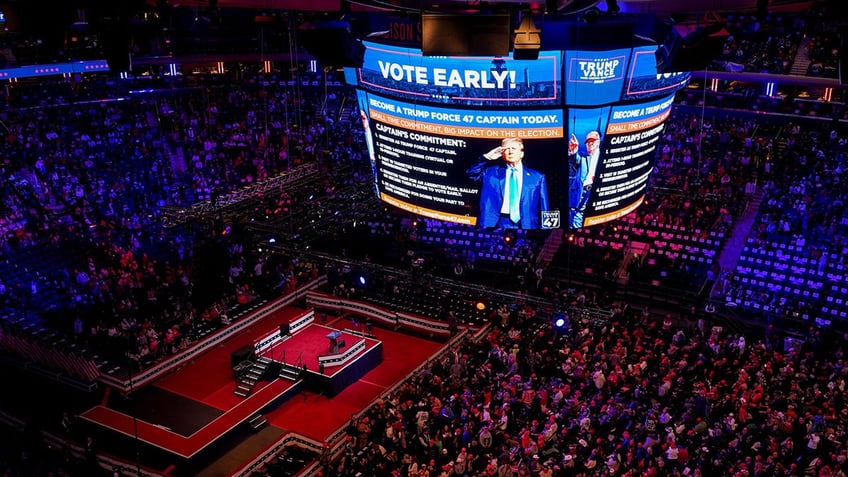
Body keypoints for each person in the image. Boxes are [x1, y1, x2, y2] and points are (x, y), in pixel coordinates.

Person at [466, 137, 549, 229]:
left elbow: (544, 206)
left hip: (526, 223)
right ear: (502, 154)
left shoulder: (537, 177)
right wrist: (487, 157)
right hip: (495, 223)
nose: (510, 152)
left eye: (514, 148)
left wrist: (545, 229)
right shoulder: (490, 172)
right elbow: (471, 173)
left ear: (522, 153)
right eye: (506, 149)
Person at [568, 130, 601, 228]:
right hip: (581, 194)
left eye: (592, 140)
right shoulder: (582, 157)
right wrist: (573, 151)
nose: (589, 143)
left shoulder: (604, 157)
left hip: (595, 195)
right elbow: (574, 159)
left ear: (598, 141)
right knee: (575, 219)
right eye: (587, 141)